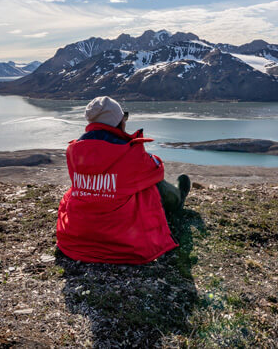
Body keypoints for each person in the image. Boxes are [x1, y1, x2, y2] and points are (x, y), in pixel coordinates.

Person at [56, 96, 191, 264]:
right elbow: (157, 170)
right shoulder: (128, 153)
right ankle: (178, 199)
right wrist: (142, 154)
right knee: (150, 184)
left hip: (78, 236)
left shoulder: (73, 150)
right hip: (125, 241)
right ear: (119, 122)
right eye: (124, 117)